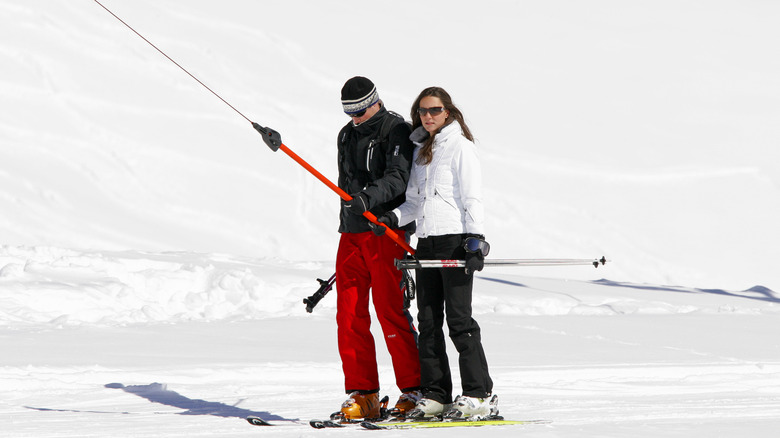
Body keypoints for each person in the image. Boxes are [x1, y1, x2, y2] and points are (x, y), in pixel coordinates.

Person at [375, 86, 496, 419]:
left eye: (434, 110)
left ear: (448, 112)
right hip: (425, 243)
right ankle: (436, 394)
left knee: (459, 321)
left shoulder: (460, 148)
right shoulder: (421, 151)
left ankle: (478, 393)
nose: (428, 116)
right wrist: (390, 219)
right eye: (423, 111)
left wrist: (475, 239)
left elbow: (472, 198)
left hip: (454, 241)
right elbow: (414, 203)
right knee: (428, 322)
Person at [333, 76, 421, 420]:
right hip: (352, 233)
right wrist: (352, 209)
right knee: (349, 314)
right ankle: (364, 393)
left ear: (375, 101)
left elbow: (399, 177)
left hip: (386, 232)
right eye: (348, 111)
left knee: (390, 310)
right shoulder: (346, 134)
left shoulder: (396, 130)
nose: (355, 117)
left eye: (359, 109)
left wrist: (368, 199)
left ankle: (414, 390)